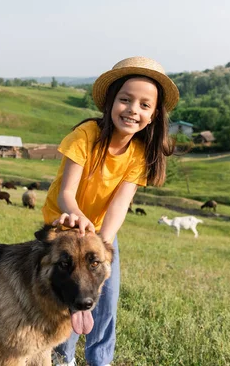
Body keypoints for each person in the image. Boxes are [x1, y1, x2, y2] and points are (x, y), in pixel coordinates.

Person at [42, 56, 179, 366]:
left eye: (145, 105)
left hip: (102, 234)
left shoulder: (140, 153)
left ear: (154, 115)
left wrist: (103, 244)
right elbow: (66, 193)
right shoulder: (86, 136)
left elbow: (119, 206)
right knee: (71, 294)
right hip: (65, 223)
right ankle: (62, 356)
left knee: (105, 298)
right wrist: (78, 220)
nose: (133, 110)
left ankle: (99, 361)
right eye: (126, 100)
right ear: (111, 101)